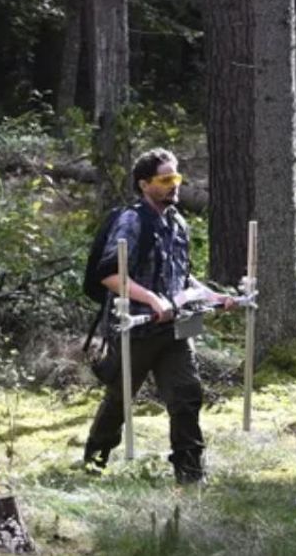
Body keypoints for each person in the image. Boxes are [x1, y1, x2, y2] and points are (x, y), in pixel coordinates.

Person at [83, 148, 233, 483]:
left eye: (176, 178)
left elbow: (181, 278)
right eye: (165, 180)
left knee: (187, 394)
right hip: (134, 329)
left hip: (175, 329)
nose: (173, 185)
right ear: (144, 184)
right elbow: (108, 274)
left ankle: (190, 472)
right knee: (120, 400)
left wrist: (213, 295)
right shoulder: (131, 221)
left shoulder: (177, 223)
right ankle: (94, 460)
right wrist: (151, 300)